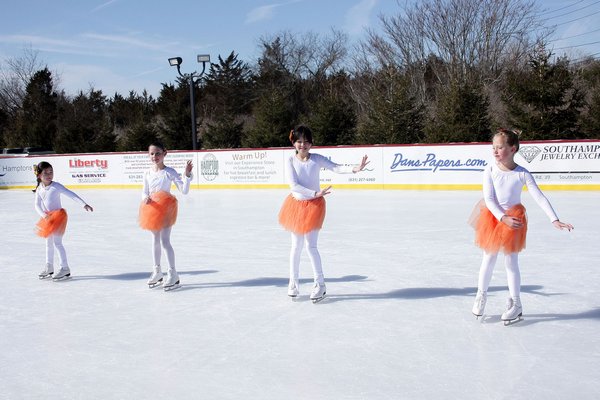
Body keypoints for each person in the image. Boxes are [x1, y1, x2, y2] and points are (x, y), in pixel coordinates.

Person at [470, 129, 573, 323]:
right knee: (489, 258)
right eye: (493, 147)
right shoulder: (490, 170)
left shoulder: (522, 173)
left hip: (514, 220)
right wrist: (502, 217)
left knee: (511, 261)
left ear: (512, 149)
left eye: (500, 147)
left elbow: (539, 196)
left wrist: (554, 218)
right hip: (494, 217)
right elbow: (489, 199)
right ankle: (481, 295)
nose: (495, 151)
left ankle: (516, 303)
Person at [278, 125, 369, 303]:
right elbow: (294, 186)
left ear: (311, 144)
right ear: (293, 143)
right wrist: (314, 193)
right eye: (299, 141)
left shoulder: (316, 159)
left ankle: (320, 284)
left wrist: (355, 169)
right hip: (296, 205)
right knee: (295, 246)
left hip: (314, 207)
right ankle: (293, 283)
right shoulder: (290, 161)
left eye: (306, 141)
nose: (302, 145)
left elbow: (335, 167)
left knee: (311, 247)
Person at [139, 141, 193, 291]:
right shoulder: (147, 173)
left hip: (166, 208)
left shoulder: (169, 172)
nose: (154, 156)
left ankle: (172, 273)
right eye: (151, 153)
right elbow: (144, 190)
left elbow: (184, 190)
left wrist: (187, 175)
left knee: (165, 241)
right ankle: (157, 271)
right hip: (152, 209)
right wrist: (145, 198)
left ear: (164, 154)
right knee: (154, 240)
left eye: (157, 153)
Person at [34, 161, 94, 280]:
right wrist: (44, 215)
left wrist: (83, 204)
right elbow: (37, 205)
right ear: (39, 175)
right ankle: (49, 266)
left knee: (57, 243)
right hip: (47, 218)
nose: (49, 174)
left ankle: (65, 268)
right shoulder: (39, 189)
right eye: (46, 172)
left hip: (59, 217)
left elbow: (70, 194)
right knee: (48, 243)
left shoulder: (56, 186)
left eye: (51, 172)